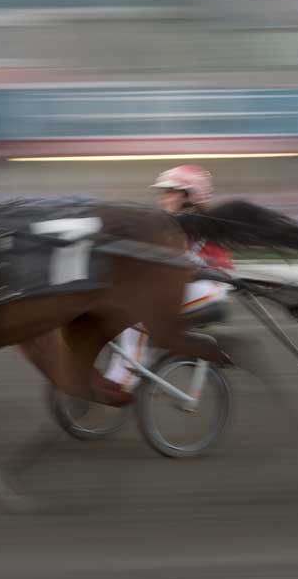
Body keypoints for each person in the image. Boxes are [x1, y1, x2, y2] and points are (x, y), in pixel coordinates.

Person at [96, 165, 233, 403]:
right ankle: (133, 367)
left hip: (210, 289)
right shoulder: (170, 224)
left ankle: (124, 382)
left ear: (190, 196)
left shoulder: (200, 225)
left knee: (140, 317)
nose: (163, 197)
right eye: (163, 192)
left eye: (170, 192)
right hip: (185, 286)